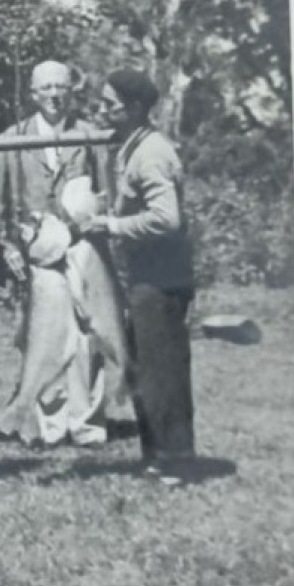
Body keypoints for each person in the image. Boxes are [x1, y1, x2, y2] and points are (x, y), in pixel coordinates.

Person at [79, 68, 198, 488]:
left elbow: (167, 219)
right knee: (143, 369)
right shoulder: (131, 146)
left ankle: (175, 463)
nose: (102, 109)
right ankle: (157, 457)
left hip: (162, 279)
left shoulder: (151, 154)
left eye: (110, 104)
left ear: (132, 109)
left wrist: (111, 226)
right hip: (143, 276)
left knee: (161, 371)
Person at [0, 60, 114, 447]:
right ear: (33, 93)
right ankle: (48, 423)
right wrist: (8, 247)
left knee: (85, 335)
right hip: (37, 253)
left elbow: (108, 193)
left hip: (82, 245)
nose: (55, 95)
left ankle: (86, 424)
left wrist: (90, 223)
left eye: (62, 87)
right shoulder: (13, 137)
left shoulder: (90, 135)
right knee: (41, 334)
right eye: (47, 88)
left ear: (72, 90)